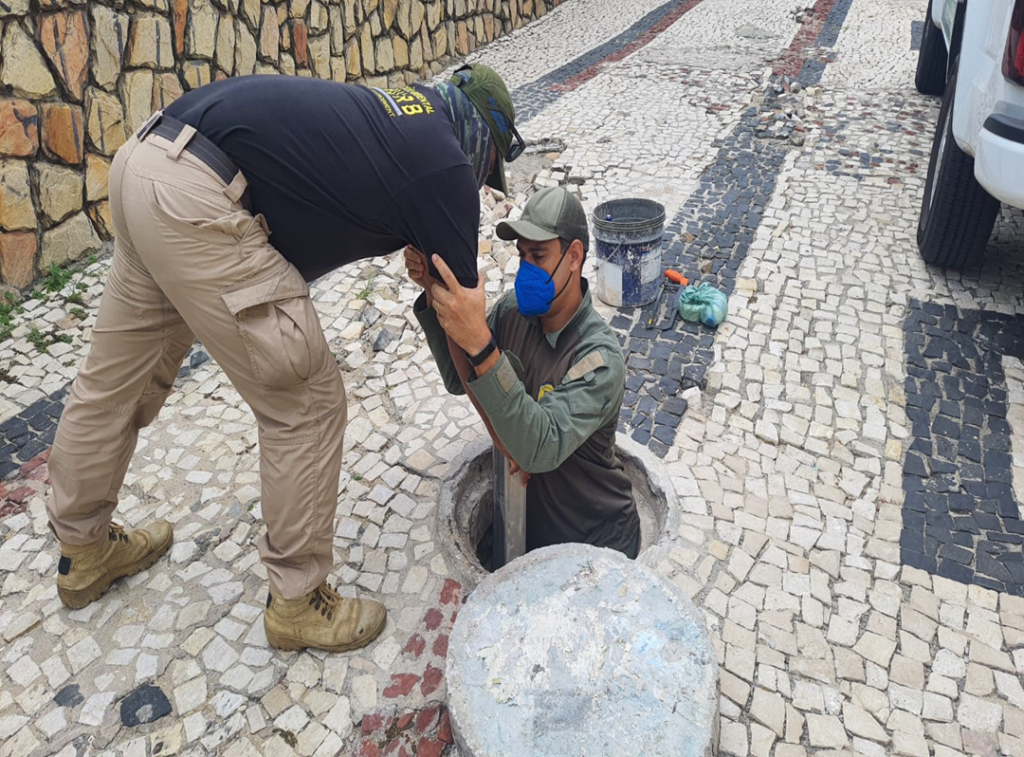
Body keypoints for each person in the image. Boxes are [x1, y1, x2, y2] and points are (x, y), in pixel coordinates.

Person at [45, 64, 524, 654]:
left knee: (117, 379)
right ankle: (298, 603)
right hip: (201, 197)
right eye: (488, 171)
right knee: (307, 400)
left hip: (145, 162)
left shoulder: (408, 112)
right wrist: (512, 428)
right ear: (483, 139)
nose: (480, 185)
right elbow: (466, 321)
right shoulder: (449, 164)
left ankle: (83, 548)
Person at [406, 187, 641, 557]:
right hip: (534, 531)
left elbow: (536, 448)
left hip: (596, 542)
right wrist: (439, 294)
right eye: (521, 255)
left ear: (574, 256)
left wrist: (482, 345)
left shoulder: (599, 359)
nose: (526, 268)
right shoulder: (514, 312)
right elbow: (460, 377)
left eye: (538, 255)